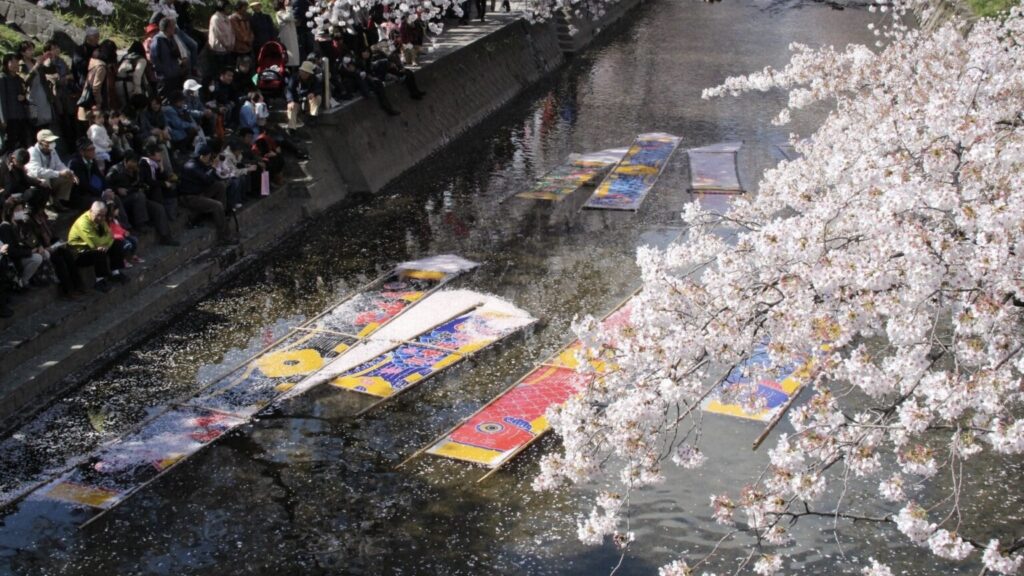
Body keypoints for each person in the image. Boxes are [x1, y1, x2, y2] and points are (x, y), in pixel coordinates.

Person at [21, 188, 85, 299]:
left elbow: (48, 231)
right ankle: (67, 290)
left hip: (48, 242)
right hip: (39, 247)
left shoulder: (39, 213)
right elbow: (30, 238)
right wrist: (44, 247)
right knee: (58, 260)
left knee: (67, 254)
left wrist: (57, 241)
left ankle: (78, 284)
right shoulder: (27, 218)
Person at [106, 151, 179, 246]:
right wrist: (116, 189)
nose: (135, 164)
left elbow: (144, 183)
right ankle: (141, 224)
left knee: (158, 208)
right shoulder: (115, 171)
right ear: (126, 161)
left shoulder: (137, 170)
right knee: (139, 196)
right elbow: (106, 186)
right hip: (123, 202)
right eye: (133, 162)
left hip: (138, 199)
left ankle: (166, 237)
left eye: (136, 162)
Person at [179, 144, 237, 244]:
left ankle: (220, 216)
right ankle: (225, 237)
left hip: (199, 192)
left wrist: (217, 169)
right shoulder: (192, 166)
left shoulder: (199, 162)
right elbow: (207, 179)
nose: (211, 159)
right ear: (204, 156)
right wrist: (213, 167)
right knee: (217, 205)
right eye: (209, 157)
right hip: (190, 197)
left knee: (220, 186)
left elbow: (211, 179)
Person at [67, 201, 127, 292]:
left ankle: (115, 273)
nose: (101, 218)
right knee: (99, 253)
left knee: (117, 243)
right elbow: (96, 243)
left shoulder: (101, 219)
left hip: (95, 247)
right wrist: (106, 241)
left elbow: (111, 235)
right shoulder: (83, 223)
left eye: (103, 215)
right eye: (98, 215)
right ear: (91, 211)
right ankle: (100, 281)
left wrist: (107, 244)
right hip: (79, 254)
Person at [0, 195, 44, 289]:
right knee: (37, 258)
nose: (21, 212)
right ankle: (22, 282)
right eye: (17, 210)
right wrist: (30, 252)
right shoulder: (5, 227)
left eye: (21, 209)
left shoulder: (21, 222)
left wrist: (38, 245)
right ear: (10, 211)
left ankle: (36, 278)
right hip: (16, 258)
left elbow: (31, 237)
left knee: (45, 254)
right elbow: (11, 250)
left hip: (24, 251)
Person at [26, 129, 76, 212]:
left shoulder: (52, 150)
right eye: (49, 142)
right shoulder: (32, 152)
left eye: (53, 141)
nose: (52, 143)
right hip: (37, 181)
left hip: (50, 177)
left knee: (68, 177)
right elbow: (37, 171)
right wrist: (58, 173)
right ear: (41, 142)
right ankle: (43, 206)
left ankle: (56, 202)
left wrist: (69, 172)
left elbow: (59, 164)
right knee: (44, 180)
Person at [19, 41, 55, 132]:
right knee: (34, 122)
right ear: (22, 52)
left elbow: (50, 70)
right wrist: (36, 66)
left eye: (32, 49)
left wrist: (49, 59)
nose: (32, 52)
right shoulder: (21, 65)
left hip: (42, 94)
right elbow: (25, 81)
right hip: (31, 98)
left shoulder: (35, 61)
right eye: (29, 50)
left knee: (46, 121)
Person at [0, 53, 32, 154]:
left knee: (23, 142)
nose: (15, 64)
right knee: (11, 145)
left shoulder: (19, 79)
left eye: (17, 62)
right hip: (10, 117)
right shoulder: (2, 79)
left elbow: (26, 94)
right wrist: (3, 119)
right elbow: (1, 100)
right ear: (6, 64)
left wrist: (23, 97)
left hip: (21, 115)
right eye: (12, 62)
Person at [140, 141, 178, 220]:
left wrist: (161, 168)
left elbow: (162, 177)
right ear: (150, 154)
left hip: (155, 185)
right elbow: (149, 181)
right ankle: (164, 216)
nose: (160, 154)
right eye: (158, 152)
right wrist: (163, 184)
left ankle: (171, 213)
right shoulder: (144, 164)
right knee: (158, 190)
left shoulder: (154, 163)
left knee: (172, 186)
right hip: (147, 189)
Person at [149, 17, 185, 99]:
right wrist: (163, 73)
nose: (174, 28)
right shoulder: (157, 40)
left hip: (175, 74)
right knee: (164, 98)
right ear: (168, 28)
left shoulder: (172, 38)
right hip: (165, 77)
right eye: (173, 26)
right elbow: (154, 59)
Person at [67, 138, 106, 209]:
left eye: (94, 148)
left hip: (91, 192)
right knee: (102, 203)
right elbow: (83, 184)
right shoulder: (75, 164)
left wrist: (107, 189)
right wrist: (101, 194)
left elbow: (99, 176)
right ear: (82, 152)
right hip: (80, 196)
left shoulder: (91, 160)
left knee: (114, 198)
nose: (94, 151)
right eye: (91, 149)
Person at [286, 60, 324, 129]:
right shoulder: (294, 78)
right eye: (303, 71)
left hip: (308, 103)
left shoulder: (314, 79)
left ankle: (313, 117)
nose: (304, 74)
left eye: (306, 73)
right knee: (291, 107)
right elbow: (289, 90)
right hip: (297, 102)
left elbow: (319, 89)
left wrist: (313, 93)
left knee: (318, 97)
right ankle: (291, 129)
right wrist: (290, 101)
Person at [208, 0, 236, 77]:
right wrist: (227, 45)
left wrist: (232, 44)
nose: (229, 9)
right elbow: (219, 35)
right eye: (227, 7)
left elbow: (232, 32)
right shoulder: (215, 18)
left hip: (228, 49)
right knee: (219, 72)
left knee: (227, 70)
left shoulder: (227, 18)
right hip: (219, 49)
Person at [275, 0, 301, 71]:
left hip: (292, 36)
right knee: (289, 55)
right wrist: (288, 7)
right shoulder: (279, 12)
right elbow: (288, 17)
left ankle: (293, 69)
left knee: (294, 56)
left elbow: (292, 18)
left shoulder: (286, 11)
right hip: (287, 37)